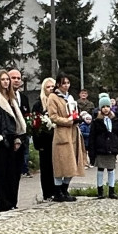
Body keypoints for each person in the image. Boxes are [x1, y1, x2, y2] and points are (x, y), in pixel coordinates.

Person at [0, 69, 28, 212]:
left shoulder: (11, 98)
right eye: (3, 79)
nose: (6, 82)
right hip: (1, 139)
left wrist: (18, 138)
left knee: (13, 173)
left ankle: (12, 202)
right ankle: (3, 204)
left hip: (13, 137)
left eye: (7, 79)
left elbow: (16, 121)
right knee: (2, 174)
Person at [46, 73, 86, 202]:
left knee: (73, 163)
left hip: (73, 132)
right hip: (62, 133)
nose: (66, 86)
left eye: (68, 83)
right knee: (61, 164)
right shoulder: (53, 97)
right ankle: (58, 192)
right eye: (64, 83)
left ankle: (64, 189)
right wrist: (68, 120)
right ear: (58, 84)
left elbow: (73, 111)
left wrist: (78, 117)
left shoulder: (69, 97)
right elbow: (53, 117)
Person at [90, 94, 118, 199]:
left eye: (107, 106)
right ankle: (100, 191)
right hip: (100, 149)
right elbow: (92, 137)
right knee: (100, 169)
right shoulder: (96, 121)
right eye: (103, 107)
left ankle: (112, 190)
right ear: (100, 108)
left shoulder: (116, 120)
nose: (105, 109)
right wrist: (91, 153)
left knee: (111, 169)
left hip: (112, 148)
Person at [32, 78, 57, 201]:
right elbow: (34, 125)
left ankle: (57, 190)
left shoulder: (59, 101)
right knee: (46, 167)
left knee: (57, 166)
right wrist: (38, 143)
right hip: (44, 141)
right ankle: (47, 193)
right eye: (48, 87)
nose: (51, 89)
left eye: (53, 86)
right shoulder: (38, 104)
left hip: (57, 139)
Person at [9, 68, 31, 178]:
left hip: (23, 134)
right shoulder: (3, 97)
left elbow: (27, 114)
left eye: (18, 78)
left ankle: (24, 170)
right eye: (13, 78)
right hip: (9, 135)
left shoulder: (23, 97)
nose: (16, 80)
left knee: (24, 155)